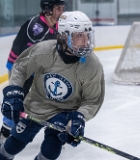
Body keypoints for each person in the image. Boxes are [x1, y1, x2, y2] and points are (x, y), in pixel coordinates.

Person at [0, 11, 105, 160]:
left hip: (64, 111)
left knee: (52, 148)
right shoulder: (44, 50)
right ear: (64, 35)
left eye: (87, 35)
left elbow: (92, 100)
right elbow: (21, 67)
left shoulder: (92, 65)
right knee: (16, 140)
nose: (85, 41)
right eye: (79, 35)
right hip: (37, 104)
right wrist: (15, 91)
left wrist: (80, 117)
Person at [0, 0, 65, 145]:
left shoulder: (56, 25)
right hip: (21, 69)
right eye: (58, 9)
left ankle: (54, 133)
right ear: (48, 9)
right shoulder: (37, 28)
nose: (61, 12)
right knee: (16, 102)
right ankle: (4, 134)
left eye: (62, 8)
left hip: (37, 70)